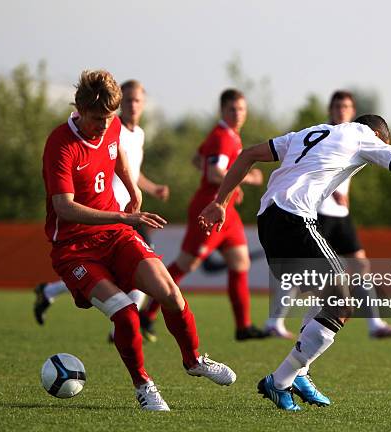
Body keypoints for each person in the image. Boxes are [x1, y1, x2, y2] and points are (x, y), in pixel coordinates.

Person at [199, 114, 391, 410]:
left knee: (326, 296)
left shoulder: (310, 132)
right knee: (343, 302)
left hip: (268, 218)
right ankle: (282, 379)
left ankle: (300, 373)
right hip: (294, 218)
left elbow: (248, 155)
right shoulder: (365, 137)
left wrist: (221, 202)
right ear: (378, 134)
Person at [42, 70, 235, 411]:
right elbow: (64, 208)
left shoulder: (112, 125)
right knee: (126, 312)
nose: (104, 125)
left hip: (115, 236)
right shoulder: (60, 143)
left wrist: (132, 189)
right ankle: (144, 386)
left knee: (169, 291)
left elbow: (118, 156)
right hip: (76, 251)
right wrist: (123, 216)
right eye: (97, 118)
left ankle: (193, 361)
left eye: (109, 118)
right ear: (80, 109)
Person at [263, 90, 391, 339]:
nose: (342, 110)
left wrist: (344, 197)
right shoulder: (324, 132)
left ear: (353, 113)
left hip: (341, 215)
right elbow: (308, 172)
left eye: (347, 106)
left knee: (360, 265)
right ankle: (276, 322)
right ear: (331, 110)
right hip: (316, 213)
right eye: (338, 106)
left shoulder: (359, 136)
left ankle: (375, 324)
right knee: (308, 274)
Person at [34, 80, 169, 334]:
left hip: (126, 212)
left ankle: (51, 291)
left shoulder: (133, 132)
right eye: (128, 100)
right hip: (106, 213)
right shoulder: (99, 128)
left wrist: (146, 190)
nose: (132, 105)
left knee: (140, 266)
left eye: (136, 101)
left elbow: (129, 169)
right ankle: (128, 325)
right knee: (132, 267)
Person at [140, 89, 269, 341]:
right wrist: (246, 178)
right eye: (233, 109)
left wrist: (231, 187)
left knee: (240, 263)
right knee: (186, 264)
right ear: (223, 111)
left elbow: (198, 159)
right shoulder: (223, 137)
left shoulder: (228, 135)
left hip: (226, 211)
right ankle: (148, 314)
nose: (238, 113)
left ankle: (243, 327)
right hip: (209, 210)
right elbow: (213, 172)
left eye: (241, 109)